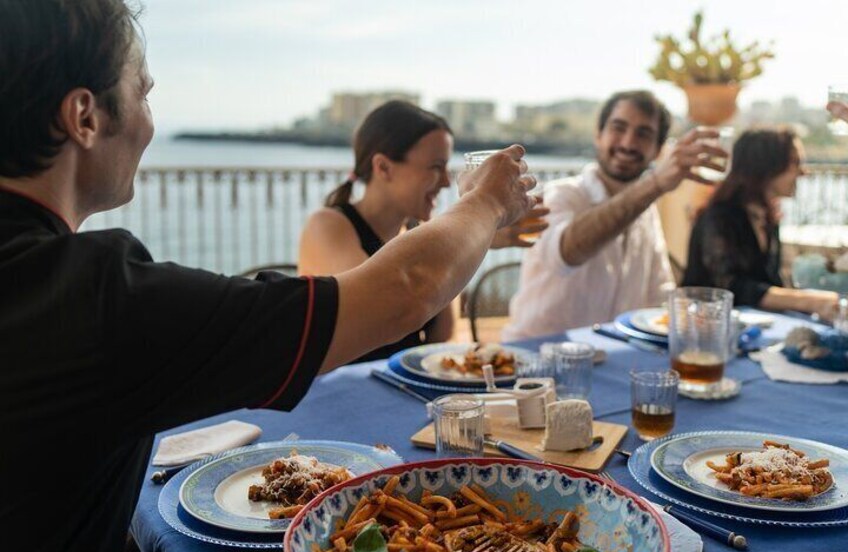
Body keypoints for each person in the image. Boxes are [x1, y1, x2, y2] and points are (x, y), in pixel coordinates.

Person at [0, 2, 534, 552]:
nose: (149, 123)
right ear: (84, 116)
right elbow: (403, 290)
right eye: (145, 92)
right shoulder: (89, 298)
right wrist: (488, 200)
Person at [299, 100, 549, 360]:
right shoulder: (328, 225)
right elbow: (387, 310)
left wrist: (475, 237)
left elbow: (442, 336)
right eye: (435, 167)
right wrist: (475, 219)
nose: (444, 182)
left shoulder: (416, 230)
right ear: (383, 167)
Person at [503, 90, 726, 339]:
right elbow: (564, 254)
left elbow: (659, 295)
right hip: (539, 359)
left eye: (643, 134)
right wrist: (656, 183)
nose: (628, 143)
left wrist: (704, 320)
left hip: (614, 357)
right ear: (598, 135)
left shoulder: (646, 209)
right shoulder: (560, 195)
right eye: (619, 128)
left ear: (657, 151)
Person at [682, 128, 839, 316]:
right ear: (767, 165)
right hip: (705, 326)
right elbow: (730, 287)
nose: (803, 172)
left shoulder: (767, 217)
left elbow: (771, 282)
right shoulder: (719, 217)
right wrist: (808, 301)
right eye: (795, 163)